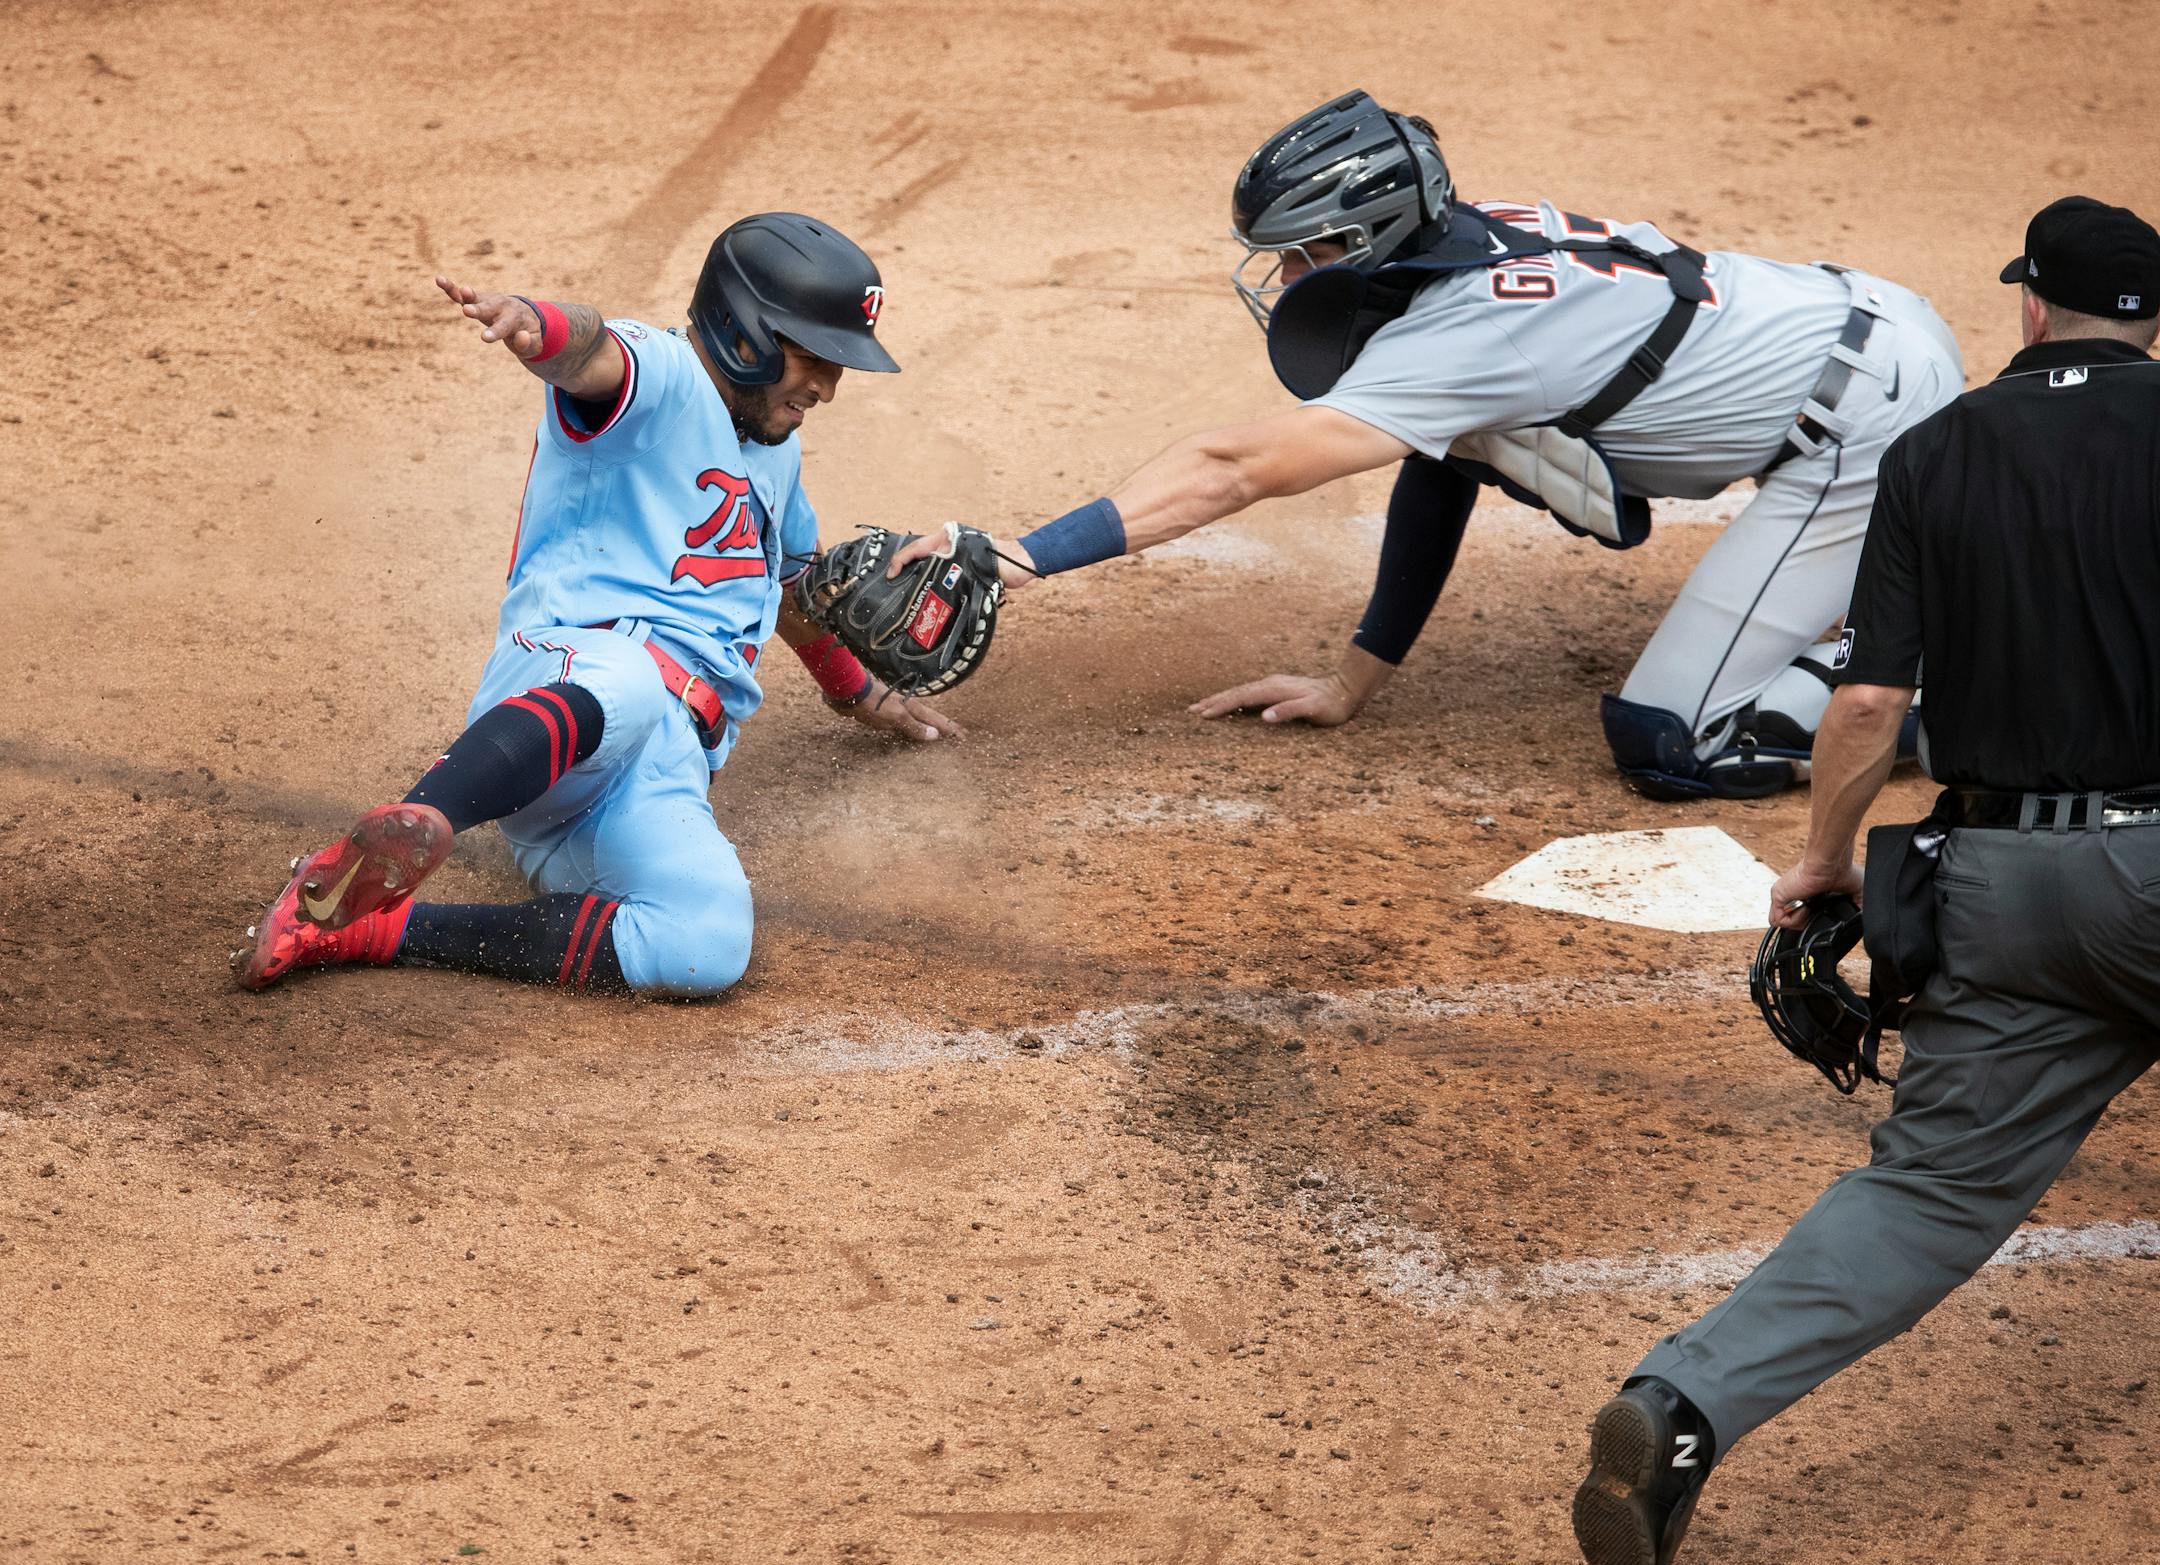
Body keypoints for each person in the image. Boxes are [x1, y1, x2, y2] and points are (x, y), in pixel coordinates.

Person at [1571, 194, 2160, 1565]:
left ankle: (1685, 1405)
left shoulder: (1940, 449)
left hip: (2000, 891)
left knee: (1932, 1194)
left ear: (2030, 307)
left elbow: (1869, 704)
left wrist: (1827, 858)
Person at [896, 89, 1965, 799]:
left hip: (1866, 428)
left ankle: (1942, 688)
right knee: (1521, 451)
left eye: (1300, 253)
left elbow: (1235, 469)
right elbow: (1446, 459)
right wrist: (1357, 680)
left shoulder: (1472, 330)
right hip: (1857, 324)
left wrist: (1021, 555)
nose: (1286, 276)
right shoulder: (1460, 253)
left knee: (1672, 740)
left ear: (1363, 239)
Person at [233, 212, 956, 997]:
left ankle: (368, 927)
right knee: (632, 685)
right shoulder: (669, 379)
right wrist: (533, 325)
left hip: (648, 770)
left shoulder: (778, 458)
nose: (826, 387)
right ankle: (401, 832)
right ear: (745, 331)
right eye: (813, 359)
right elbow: (593, 353)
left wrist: (857, 689)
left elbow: (783, 585)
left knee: (706, 942)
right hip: (567, 680)